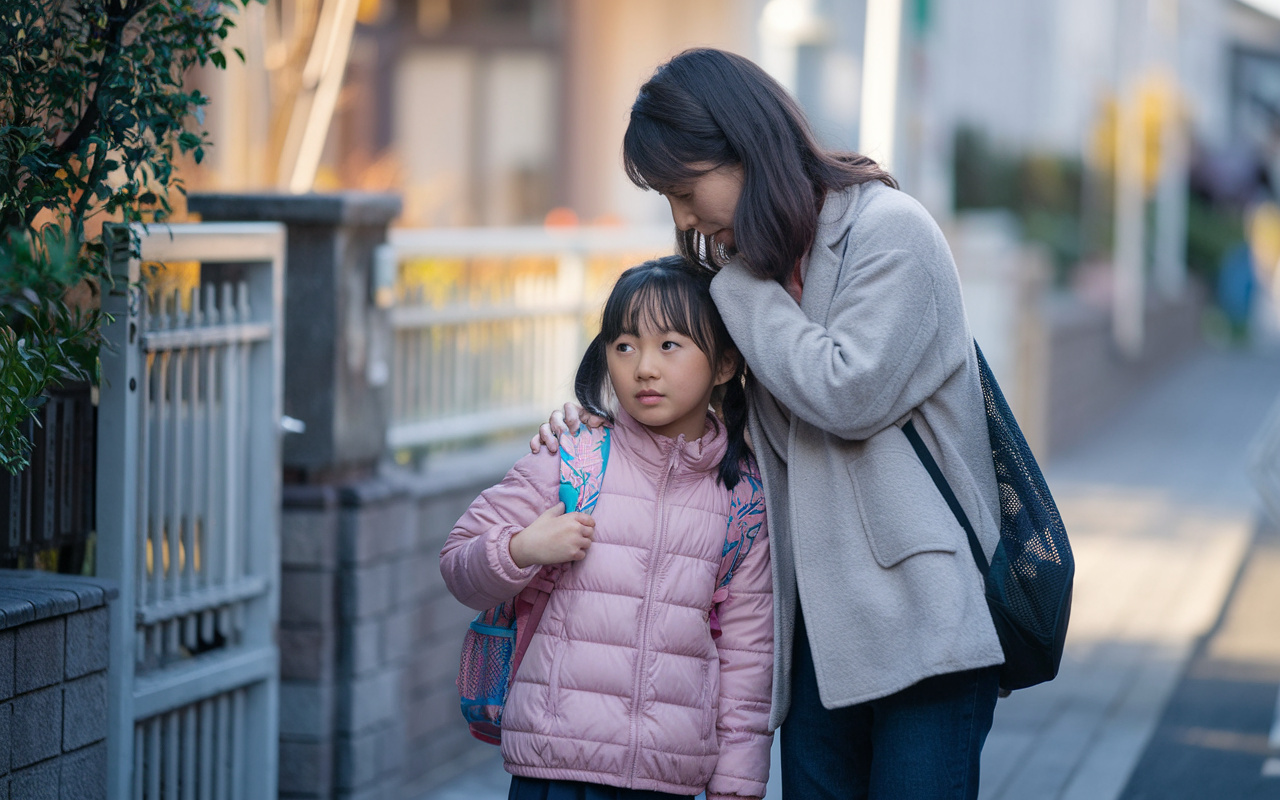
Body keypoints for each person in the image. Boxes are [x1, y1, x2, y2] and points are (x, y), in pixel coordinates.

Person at [534, 48, 1004, 799]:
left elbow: (847, 392)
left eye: (686, 191)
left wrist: (739, 286)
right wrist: (591, 432)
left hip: (922, 629)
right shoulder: (763, 265)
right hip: (815, 639)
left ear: (746, 150)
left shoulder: (891, 232)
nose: (683, 219)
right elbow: (700, 417)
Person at [441, 255, 774, 800]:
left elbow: (748, 656)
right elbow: (458, 563)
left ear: (724, 364)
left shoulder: (744, 497)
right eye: (624, 345)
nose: (643, 366)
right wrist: (522, 549)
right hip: (554, 767)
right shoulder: (569, 458)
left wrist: (736, 786)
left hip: (666, 775)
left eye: (669, 345)